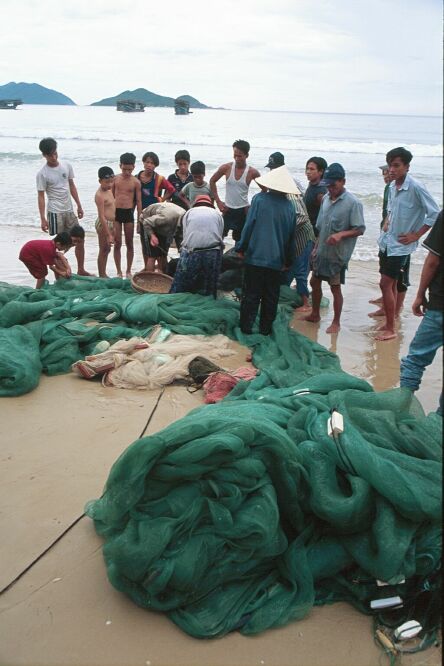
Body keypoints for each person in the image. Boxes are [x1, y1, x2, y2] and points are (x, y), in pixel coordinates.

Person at [375, 147, 439, 341]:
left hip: (400, 246)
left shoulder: (416, 187)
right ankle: (390, 321)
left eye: (396, 165)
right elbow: (392, 209)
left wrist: (416, 235)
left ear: (407, 167)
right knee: (390, 284)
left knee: (385, 284)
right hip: (387, 242)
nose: (392, 170)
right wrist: (387, 222)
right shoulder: (392, 187)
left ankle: (390, 328)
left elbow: (434, 213)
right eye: (390, 165)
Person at [304, 163, 365, 334]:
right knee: (314, 282)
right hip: (321, 251)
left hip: (338, 255)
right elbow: (320, 227)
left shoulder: (353, 203)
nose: (330, 189)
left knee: (335, 288)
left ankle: (336, 322)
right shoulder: (325, 199)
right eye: (328, 185)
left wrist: (341, 235)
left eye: (333, 185)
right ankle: (315, 314)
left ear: (343, 181)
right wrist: (315, 247)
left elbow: (360, 229)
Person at [235, 166, 297, 335]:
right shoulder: (290, 207)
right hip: (276, 261)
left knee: (251, 294)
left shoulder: (259, 200)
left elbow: (249, 226)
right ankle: (265, 329)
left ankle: (246, 328)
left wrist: (241, 247)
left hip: (255, 256)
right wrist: (288, 260)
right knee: (271, 297)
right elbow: (291, 237)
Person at [400, 210, 443, 415]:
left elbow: (433, 261)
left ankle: (402, 407)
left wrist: (419, 295)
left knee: (416, 359)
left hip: (440, 305)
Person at [264, 152, 316, 310]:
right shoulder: (277, 186)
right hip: (292, 239)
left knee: (300, 270)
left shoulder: (289, 188)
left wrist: (283, 231)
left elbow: (301, 216)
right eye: (270, 169)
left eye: (274, 169)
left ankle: (306, 303)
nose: (272, 171)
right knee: (287, 271)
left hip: (302, 237)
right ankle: (289, 295)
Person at [36, 137, 90, 276]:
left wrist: (79, 205)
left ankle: (81, 269)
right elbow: (41, 196)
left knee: (80, 239)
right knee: (57, 245)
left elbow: (72, 185)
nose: (54, 157)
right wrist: (42, 218)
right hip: (55, 212)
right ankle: (59, 274)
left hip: (69, 210)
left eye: (55, 153)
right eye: (50, 155)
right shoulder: (42, 173)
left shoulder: (66, 165)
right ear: (44, 155)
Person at [368, 164, 411, 317]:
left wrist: (414, 235)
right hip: (387, 237)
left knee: (400, 278)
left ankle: (396, 310)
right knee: (385, 274)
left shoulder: (406, 189)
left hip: (400, 241)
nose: (386, 176)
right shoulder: (389, 188)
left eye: (387, 173)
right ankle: (385, 304)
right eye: (384, 173)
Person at [169, 195, 224, 298]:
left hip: (191, 253)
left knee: (181, 282)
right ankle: (209, 297)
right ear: (210, 205)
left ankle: (177, 297)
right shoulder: (217, 214)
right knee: (210, 283)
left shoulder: (189, 212)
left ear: (196, 204)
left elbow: (185, 235)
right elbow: (220, 236)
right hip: (212, 253)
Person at [209, 139, 260, 241]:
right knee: (218, 238)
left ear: (246, 155)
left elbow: (264, 189)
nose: (237, 158)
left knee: (240, 240)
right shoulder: (226, 168)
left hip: (243, 211)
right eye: (235, 155)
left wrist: (253, 205)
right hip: (227, 209)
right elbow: (212, 181)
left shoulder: (252, 172)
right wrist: (218, 202)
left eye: (240, 156)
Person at [137, 152, 175, 264]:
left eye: (152, 163)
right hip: (142, 215)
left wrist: (162, 199)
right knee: (144, 243)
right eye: (147, 162)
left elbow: (171, 189)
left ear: (156, 165)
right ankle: (147, 266)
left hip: (156, 215)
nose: (149, 165)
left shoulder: (159, 178)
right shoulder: (137, 178)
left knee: (157, 242)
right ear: (143, 163)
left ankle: (159, 267)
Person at [19, 226, 85, 288]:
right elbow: (51, 266)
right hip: (28, 255)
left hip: (32, 252)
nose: (76, 244)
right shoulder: (51, 249)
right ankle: (38, 290)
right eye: (64, 247)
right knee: (42, 273)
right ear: (59, 244)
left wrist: (68, 268)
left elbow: (59, 256)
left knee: (44, 271)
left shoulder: (55, 243)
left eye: (79, 242)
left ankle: (55, 283)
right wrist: (62, 273)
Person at [113, 153, 142, 278]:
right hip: (116, 213)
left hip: (128, 213)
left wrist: (139, 219)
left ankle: (128, 270)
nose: (127, 172)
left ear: (134, 167)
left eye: (129, 170)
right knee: (117, 242)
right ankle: (118, 271)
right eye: (124, 169)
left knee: (129, 242)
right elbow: (110, 197)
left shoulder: (136, 182)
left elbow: (139, 201)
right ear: (120, 166)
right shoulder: (115, 179)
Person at [139, 201, 185, 273]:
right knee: (152, 256)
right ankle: (149, 278)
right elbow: (146, 222)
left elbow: (180, 239)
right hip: (147, 221)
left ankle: (164, 277)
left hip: (164, 223)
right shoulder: (167, 218)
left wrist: (182, 253)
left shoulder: (185, 218)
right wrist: (152, 236)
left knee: (163, 254)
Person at [94, 166, 115, 278]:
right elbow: (101, 216)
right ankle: (102, 274)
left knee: (107, 249)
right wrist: (108, 234)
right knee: (103, 249)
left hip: (112, 223)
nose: (110, 184)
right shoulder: (99, 195)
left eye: (111, 181)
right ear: (100, 181)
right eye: (107, 182)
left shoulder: (109, 190)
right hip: (103, 224)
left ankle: (103, 273)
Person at [304, 157, 328, 235]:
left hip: (314, 234)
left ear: (321, 171)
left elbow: (327, 216)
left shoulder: (321, 191)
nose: (308, 172)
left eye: (312, 169)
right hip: (307, 230)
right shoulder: (312, 184)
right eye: (307, 169)